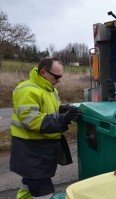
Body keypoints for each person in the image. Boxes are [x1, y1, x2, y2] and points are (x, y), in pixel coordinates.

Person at [10, 57, 81, 199]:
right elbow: (31, 121)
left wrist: (63, 109)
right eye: (57, 76)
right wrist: (63, 119)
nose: (60, 80)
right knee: (43, 190)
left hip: (39, 149)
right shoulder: (27, 90)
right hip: (32, 148)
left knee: (29, 182)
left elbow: (47, 110)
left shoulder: (50, 89)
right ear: (43, 72)